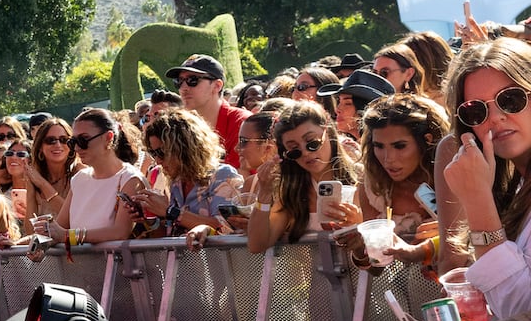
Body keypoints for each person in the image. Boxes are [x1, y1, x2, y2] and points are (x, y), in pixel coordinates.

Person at [437, 39, 531, 317]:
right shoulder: (517, 188)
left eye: (511, 99)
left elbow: (522, 310)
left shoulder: (484, 192)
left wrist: (477, 199)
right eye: (476, 110)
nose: (495, 117)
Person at [247, 100, 361, 253]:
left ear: (328, 131)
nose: (306, 152)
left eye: (312, 142)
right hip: (317, 275)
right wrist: (264, 194)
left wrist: (359, 225)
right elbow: (257, 245)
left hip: (365, 275)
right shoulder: (292, 194)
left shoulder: (361, 178)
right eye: (294, 150)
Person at [352, 94, 448, 266]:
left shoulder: (452, 176)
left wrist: (451, 235)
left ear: (426, 141)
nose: (388, 158)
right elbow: (377, 267)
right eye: (379, 146)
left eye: (399, 146)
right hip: (397, 290)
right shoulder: (373, 188)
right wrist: (360, 251)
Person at [38, 109, 146, 246]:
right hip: (79, 267)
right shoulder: (80, 179)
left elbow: (120, 232)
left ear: (108, 137)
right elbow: (58, 230)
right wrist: (16, 244)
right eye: (73, 142)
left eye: (83, 140)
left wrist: (68, 235)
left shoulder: (130, 179)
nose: (76, 148)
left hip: (118, 266)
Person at [135, 107, 243, 243]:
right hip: (186, 263)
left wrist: (170, 211)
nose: (158, 160)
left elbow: (225, 226)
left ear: (184, 148)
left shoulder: (222, 175)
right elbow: (172, 234)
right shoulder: (176, 182)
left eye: (161, 152)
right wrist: (149, 216)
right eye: (153, 153)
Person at [165, 55, 249, 169]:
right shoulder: (180, 127)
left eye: (192, 80)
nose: (183, 87)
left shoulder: (242, 123)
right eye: (179, 81)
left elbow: (240, 178)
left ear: (217, 86)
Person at [26, 118, 81, 222]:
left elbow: (72, 218)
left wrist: (43, 185)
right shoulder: (35, 176)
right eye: (50, 140)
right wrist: (31, 187)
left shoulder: (80, 173)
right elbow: (30, 229)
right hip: (44, 238)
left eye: (64, 140)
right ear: (40, 147)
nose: (58, 145)